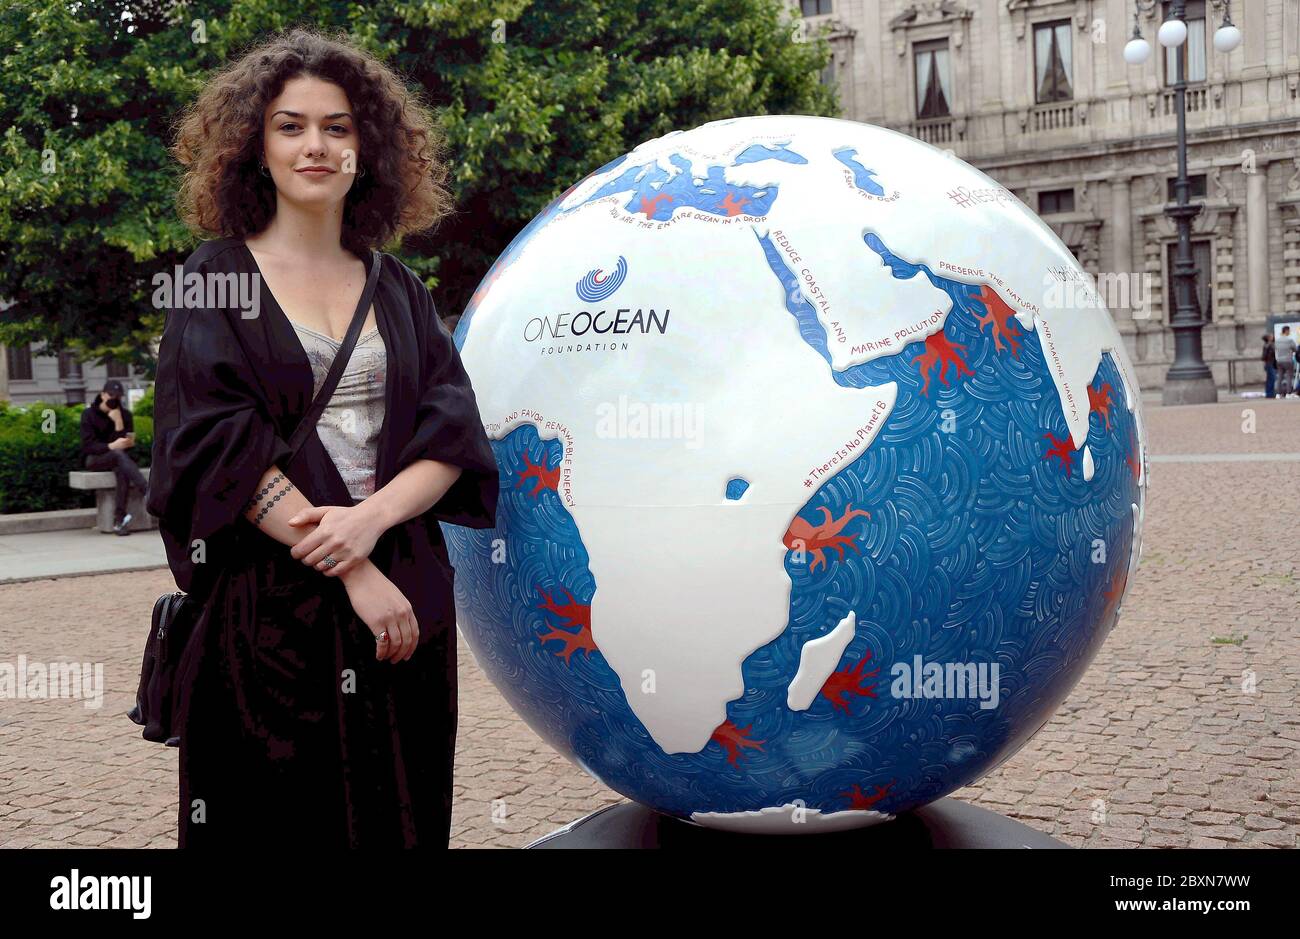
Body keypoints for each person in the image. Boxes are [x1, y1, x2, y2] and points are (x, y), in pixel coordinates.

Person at [146, 27, 499, 848]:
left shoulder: (399, 288)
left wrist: (370, 525)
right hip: (271, 610)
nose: (316, 145)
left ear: (365, 148)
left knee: (399, 820)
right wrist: (353, 567)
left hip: (405, 607)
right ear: (253, 148)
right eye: (290, 124)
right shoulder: (217, 278)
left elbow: (451, 434)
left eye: (337, 127)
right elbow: (214, 447)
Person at [80, 379, 149, 535]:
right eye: (111, 395)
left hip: (120, 459)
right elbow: (88, 446)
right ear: (103, 395)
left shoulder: (125, 415)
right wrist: (111, 446)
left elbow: (128, 443)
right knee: (118, 455)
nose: (114, 398)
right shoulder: (89, 414)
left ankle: (119, 520)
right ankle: (147, 491)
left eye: (118, 396)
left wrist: (118, 423)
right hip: (95, 460)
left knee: (121, 469)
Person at [1276, 327, 1297, 398]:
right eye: (1289, 331)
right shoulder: (1289, 340)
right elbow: (1295, 349)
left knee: (1279, 377)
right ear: (1286, 331)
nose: (1289, 332)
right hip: (1288, 360)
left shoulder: (1277, 340)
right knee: (1289, 377)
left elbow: (1275, 348)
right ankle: (1288, 393)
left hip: (1279, 360)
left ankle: (1278, 394)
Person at [1261, 333, 1277, 398]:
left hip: (1270, 363)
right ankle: (1270, 393)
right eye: (1271, 336)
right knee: (1272, 378)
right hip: (1269, 363)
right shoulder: (1268, 345)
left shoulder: (1269, 345)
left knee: (1270, 378)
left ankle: (1269, 393)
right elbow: (1264, 356)